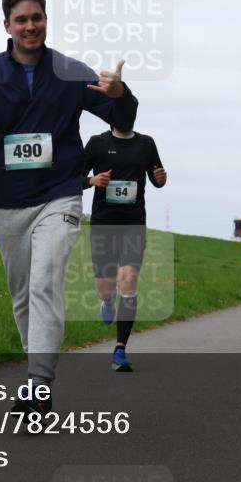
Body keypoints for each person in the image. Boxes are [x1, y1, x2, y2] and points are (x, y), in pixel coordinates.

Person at [0, 0, 138, 414]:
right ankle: (35, 365)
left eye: (37, 18)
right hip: (6, 202)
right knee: (23, 294)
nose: (30, 26)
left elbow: (123, 119)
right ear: (6, 26)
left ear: (46, 20)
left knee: (45, 282)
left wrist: (120, 94)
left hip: (59, 195)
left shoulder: (69, 70)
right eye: (21, 20)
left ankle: (37, 387)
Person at [83, 122, 167, 371]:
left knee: (128, 280)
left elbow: (156, 178)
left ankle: (120, 349)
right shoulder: (97, 142)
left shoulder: (146, 143)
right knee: (104, 288)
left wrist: (161, 179)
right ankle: (108, 301)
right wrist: (91, 180)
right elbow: (72, 177)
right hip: (103, 224)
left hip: (133, 224)